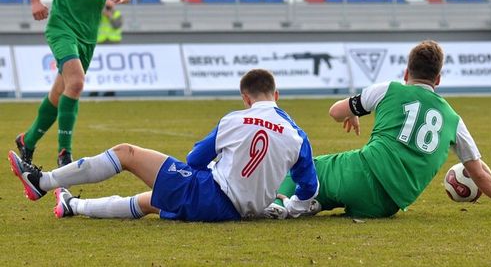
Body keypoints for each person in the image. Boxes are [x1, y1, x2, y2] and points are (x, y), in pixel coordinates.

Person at [267, 41, 491, 219]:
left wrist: (353, 112)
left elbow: (335, 112)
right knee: (333, 192)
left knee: (308, 168)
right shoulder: (453, 119)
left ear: (406, 73)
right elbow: (478, 171)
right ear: (438, 79)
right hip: (385, 206)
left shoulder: (389, 89)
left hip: (361, 173)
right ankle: (315, 203)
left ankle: (278, 204)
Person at [8, 69, 320, 222]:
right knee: (151, 201)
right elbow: (309, 187)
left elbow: (194, 159)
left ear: (246, 99)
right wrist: (287, 208)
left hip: (211, 195)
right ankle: (71, 205)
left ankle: (42, 182)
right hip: (233, 211)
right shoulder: (297, 135)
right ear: (276, 95)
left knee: (127, 153)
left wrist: (221, 166)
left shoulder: (234, 120)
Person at [14, 0, 132, 167]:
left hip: (88, 34)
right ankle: (64, 154)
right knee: (76, 83)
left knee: (60, 93)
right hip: (61, 27)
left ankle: (27, 141)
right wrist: (35, 1)